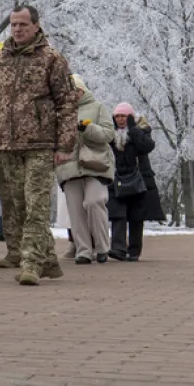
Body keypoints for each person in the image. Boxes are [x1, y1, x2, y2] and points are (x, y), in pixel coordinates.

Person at [0, 6, 76, 286]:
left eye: (23, 24)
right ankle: (50, 262)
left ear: (35, 26)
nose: (17, 29)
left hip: (41, 145)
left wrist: (65, 144)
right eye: (13, 24)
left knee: (36, 206)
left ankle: (30, 263)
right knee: (15, 206)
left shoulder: (52, 59)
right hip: (7, 146)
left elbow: (66, 103)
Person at [55, 76, 115, 265]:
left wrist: (88, 128)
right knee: (75, 210)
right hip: (68, 167)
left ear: (82, 90)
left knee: (94, 201)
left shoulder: (98, 107)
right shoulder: (59, 112)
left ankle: (102, 247)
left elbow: (108, 134)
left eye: (75, 90)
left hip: (94, 165)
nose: (72, 94)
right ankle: (83, 251)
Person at [107, 103, 156, 261]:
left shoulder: (141, 131)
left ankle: (134, 250)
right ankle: (118, 249)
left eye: (123, 116)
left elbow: (147, 147)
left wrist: (133, 129)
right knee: (117, 214)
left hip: (138, 178)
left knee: (136, 216)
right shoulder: (110, 134)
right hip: (116, 178)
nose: (120, 120)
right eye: (117, 116)